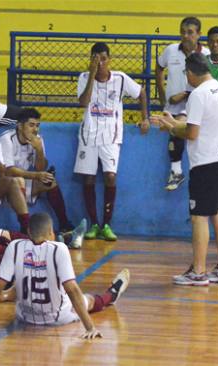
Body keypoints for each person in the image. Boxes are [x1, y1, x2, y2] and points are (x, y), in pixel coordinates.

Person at [0, 213, 130, 339]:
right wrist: (90, 327)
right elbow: (72, 290)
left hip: (24, 316)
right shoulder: (59, 249)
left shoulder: (14, 246)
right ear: (51, 232)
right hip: (57, 318)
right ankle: (111, 295)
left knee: (14, 284)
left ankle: (13, 293)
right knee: (89, 300)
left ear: (28, 231)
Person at [151, 53, 218, 286]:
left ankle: (198, 272)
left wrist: (171, 129)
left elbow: (191, 133)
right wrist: (172, 123)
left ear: (190, 73)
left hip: (208, 164)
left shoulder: (198, 95)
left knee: (199, 217)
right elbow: (205, 125)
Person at [75, 42, 149, 241]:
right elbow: (83, 102)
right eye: (96, 59)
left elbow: (141, 93)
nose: (100, 63)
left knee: (110, 176)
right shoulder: (83, 77)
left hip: (111, 136)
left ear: (109, 59)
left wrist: (145, 118)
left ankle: (107, 224)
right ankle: (94, 224)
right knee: (88, 178)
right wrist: (91, 74)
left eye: (103, 58)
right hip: (88, 135)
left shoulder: (121, 78)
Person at [0, 107, 87, 246]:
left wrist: (39, 150)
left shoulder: (38, 140)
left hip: (24, 182)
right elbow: (8, 171)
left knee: (50, 182)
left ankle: (65, 226)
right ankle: (25, 230)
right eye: (31, 125)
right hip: (5, 186)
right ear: (20, 126)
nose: (35, 129)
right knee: (19, 179)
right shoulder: (7, 139)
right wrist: (36, 175)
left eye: (37, 125)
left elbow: (41, 168)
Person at [156, 17, 210, 191]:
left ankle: (177, 171)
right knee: (172, 130)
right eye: (183, 32)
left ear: (199, 34)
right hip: (172, 106)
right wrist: (162, 95)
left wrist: (185, 94)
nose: (186, 36)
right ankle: (178, 171)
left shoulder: (207, 55)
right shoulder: (171, 50)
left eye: (190, 32)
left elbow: (210, 82)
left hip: (196, 106)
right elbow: (158, 67)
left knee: (178, 129)